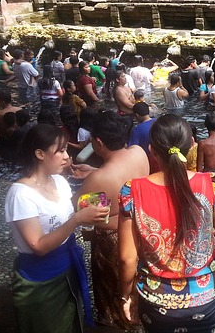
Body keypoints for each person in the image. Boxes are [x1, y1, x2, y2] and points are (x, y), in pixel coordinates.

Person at [117, 114, 215, 330]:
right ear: (191, 146)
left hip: (156, 301)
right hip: (208, 297)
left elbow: (126, 259)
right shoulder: (213, 184)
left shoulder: (131, 190)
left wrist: (125, 296)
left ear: (152, 150)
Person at [4, 124, 110, 332]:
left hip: (67, 265)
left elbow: (66, 214)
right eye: (60, 151)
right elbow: (39, 246)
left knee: (71, 320)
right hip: (39, 276)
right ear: (39, 154)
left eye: (66, 150)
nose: (67, 156)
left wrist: (89, 214)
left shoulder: (59, 182)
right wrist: (77, 220)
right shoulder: (20, 195)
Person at [72, 110, 149, 329]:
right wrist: (94, 172)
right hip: (141, 227)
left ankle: (118, 322)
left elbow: (78, 208)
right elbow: (121, 180)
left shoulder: (99, 178)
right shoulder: (138, 153)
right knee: (137, 278)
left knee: (113, 285)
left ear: (98, 141)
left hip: (114, 239)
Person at [128, 102, 159, 174]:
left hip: (147, 163)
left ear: (137, 115)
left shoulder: (137, 130)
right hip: (162, 159)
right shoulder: (160, 122)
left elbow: (131, 150)